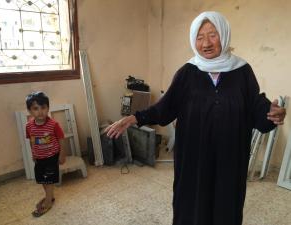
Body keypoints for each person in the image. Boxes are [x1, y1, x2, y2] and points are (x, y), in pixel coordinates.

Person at [105, 11, 286, 225]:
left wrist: (272, 114)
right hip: (194, 158)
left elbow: (256, 108)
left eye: (212, 35)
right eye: (199, 37)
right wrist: (134, 118)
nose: (206, 43)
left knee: (226, 206)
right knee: (192, 205)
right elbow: (165, 107)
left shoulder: (242, 71)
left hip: (231, 158)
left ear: (224, 36)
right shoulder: (187, 73)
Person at [25, 91, 66, 217]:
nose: (40, 111)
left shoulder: (53, 124)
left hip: (51, 157)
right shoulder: (29, 126)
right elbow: (32, 141)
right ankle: (51, 197)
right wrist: (33, 153)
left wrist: (62, 154)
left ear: (48, 108)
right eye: (36, 108)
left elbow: (61, 139)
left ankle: (48, 201)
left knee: (49, 180)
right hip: (39, 158)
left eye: (43, 107)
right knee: (42, 179)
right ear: (30, 111)